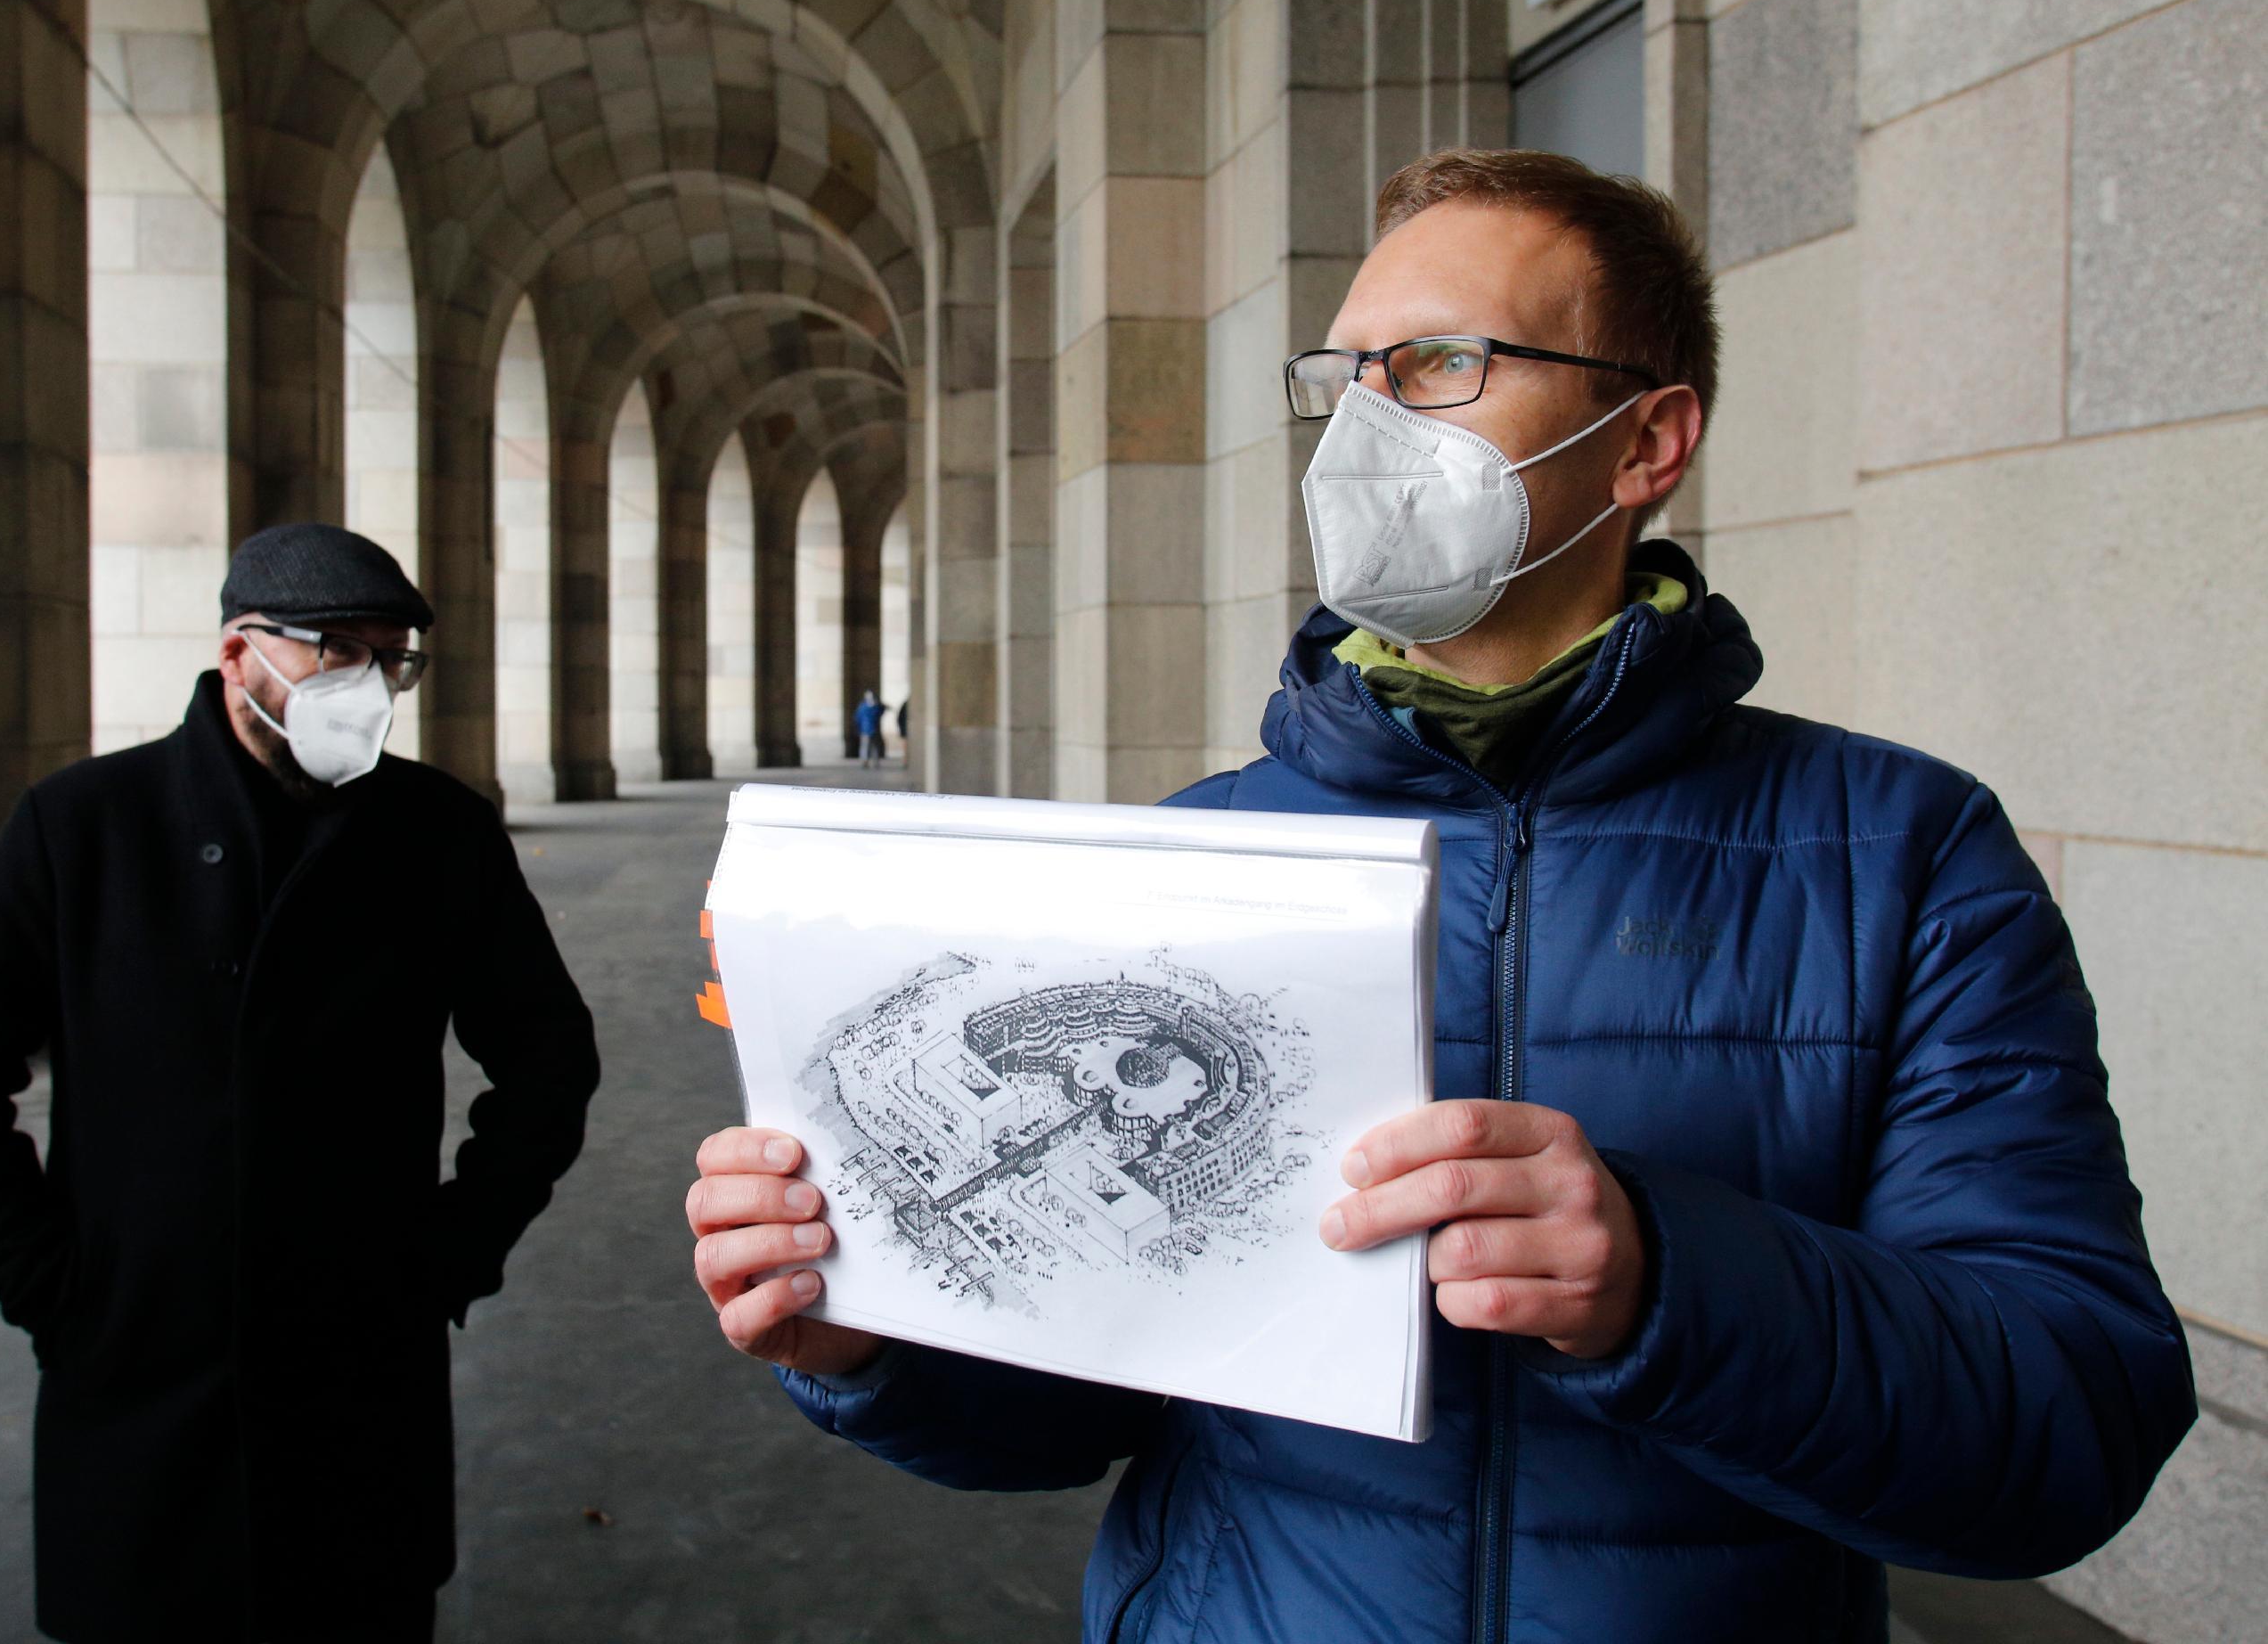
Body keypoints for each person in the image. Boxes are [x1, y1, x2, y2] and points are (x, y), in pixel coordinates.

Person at [686, 151, 2196, 1640]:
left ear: (1646, 442)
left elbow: (2069, 1425)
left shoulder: (1899, 853)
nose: (1362, 426)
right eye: (1344, 376)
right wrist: (876, 1332)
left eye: (1440, 365)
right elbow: (1085, 1405)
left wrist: (1664, 1282)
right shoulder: (1202, 854)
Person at [0, 523, 601, 1644]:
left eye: (392, 659)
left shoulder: (438, 832)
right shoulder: (84, 824)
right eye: (339, 651)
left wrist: (455, 1249)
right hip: (141, 1360)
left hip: (359, 1358)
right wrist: (48, 1282)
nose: (370, 685)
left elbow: (548, 1056)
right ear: (239, 653)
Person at [853, 691, 886, 768]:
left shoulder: (862, 707)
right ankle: (875, 761)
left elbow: (857, 718)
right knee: (874, 746)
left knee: (866, 746)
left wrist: (858, 728)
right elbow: (881, 711)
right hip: (872, 729)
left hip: (865, 729)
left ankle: (866, 761)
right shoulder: (875, 707)